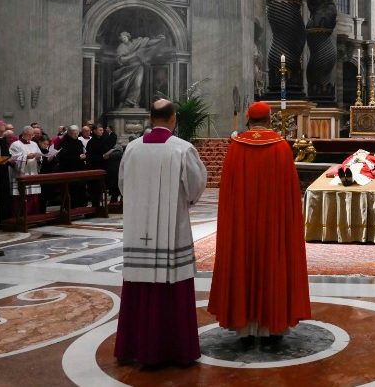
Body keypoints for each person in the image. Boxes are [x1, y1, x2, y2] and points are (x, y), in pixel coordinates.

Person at [115, 99, 207, 367]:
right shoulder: (182, 149)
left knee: (138, 284)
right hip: (172, 230)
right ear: (173, 118)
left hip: (136, 228)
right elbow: (195, 187)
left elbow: (122, 185)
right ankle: (175, 349)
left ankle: (135, 347)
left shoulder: (131, 149)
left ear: (150, 118)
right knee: (172, 285)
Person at [208, 101, 310, 340]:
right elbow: (291, 196)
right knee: (273, 261)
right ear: (269, 119)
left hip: (242, 224)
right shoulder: (281, 147)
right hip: (273, 224)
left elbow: (228, 193)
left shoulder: (236, 147)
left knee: (244, 260)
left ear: (249, 119)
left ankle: (245, 328)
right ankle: (273, 326)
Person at [9, 126, 42, 216]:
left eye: (32, 135)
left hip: (33, 172)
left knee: (33, 196)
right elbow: (12, 159)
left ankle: (33, 216)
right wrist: (26, 157)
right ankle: (20, 216)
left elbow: (39, 155)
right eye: (30, 135)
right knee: (21, 197)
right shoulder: (15, 144)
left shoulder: (34, 144)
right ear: (25, 134)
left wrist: (39, 158)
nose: (32, 137)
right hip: (22, 174)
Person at [57, 125, 87, 207]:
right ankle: (70, 207)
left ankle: (80, 206)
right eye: (74, 133)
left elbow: (83, 152)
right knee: (70, 190)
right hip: (68, 170)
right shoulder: (64, 143)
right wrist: (78, 157)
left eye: (77, 133)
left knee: (80, 189)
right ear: (70, 133)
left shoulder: (79, 142)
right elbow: (63, 157)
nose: (77, 135)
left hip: (79, 169)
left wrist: (84, 156)